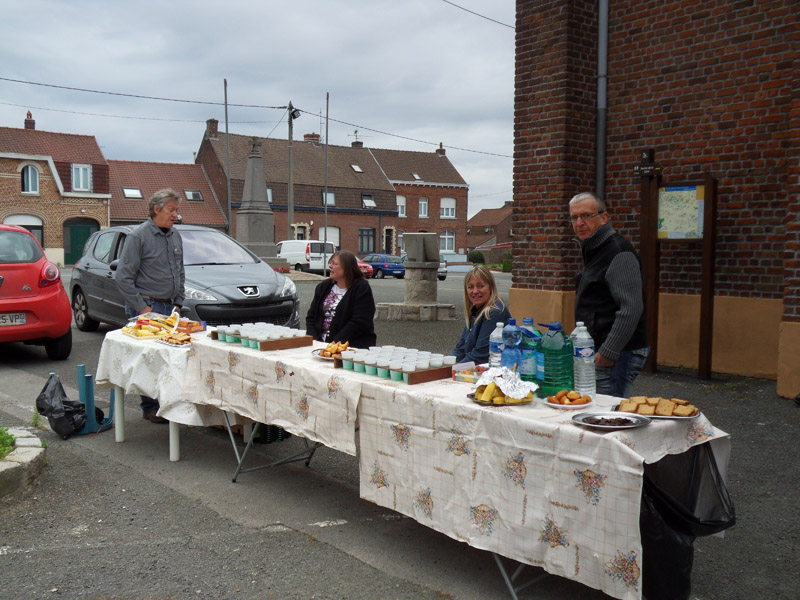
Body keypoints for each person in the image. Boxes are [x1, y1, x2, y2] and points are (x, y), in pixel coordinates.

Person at [116, 188, 185, 424]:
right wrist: (143, 309)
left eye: (176, 210)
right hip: (147, 307)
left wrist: (179, 302)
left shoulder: (175, 236)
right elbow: (123, 277)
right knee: (148, 361)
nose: (175, 215)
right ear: (156, 209)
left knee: (168, 359)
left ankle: (166, 402)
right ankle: (150, 407)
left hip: (170, 308)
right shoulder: (138, 237)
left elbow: (180, 270)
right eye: (171, 210)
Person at [570, 191, 649, 398]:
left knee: (608, 412)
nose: (579, 222)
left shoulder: (618, 252)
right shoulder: (594, 250)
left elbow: (631, 308)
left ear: (604, 218)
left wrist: (608, 352)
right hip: (598, 350)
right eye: (574, 217)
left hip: (617, 353)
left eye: (586, 215)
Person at [306, 250, 376, 349]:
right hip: (321, 345)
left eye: (334, 264)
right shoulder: (323, 286)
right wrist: (313, 340)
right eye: (330, 263)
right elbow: (311, 316)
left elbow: (360, 322)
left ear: (347, 268)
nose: (330, 266)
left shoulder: (361, 288)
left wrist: (336, 342)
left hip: (351, 346)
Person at [452, 265, 511, 364]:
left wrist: (455, 368)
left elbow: (479, 355)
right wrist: (446, 364)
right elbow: (461, 348)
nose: (475, 291)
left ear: (490, 287)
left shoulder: (494, 312)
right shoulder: (475, 311)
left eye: (480, 286)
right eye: (470, 287)